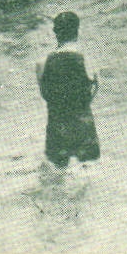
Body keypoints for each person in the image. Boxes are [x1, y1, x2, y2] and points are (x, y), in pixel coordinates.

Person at [36, 11, 100, 168]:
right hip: (83, 126)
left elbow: (45, 93)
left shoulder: (42, 63)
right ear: (77, 30)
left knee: (56, 174)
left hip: (57, 128)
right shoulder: (87, 60)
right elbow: (94, 89)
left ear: (55, 32)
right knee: (88, 174)